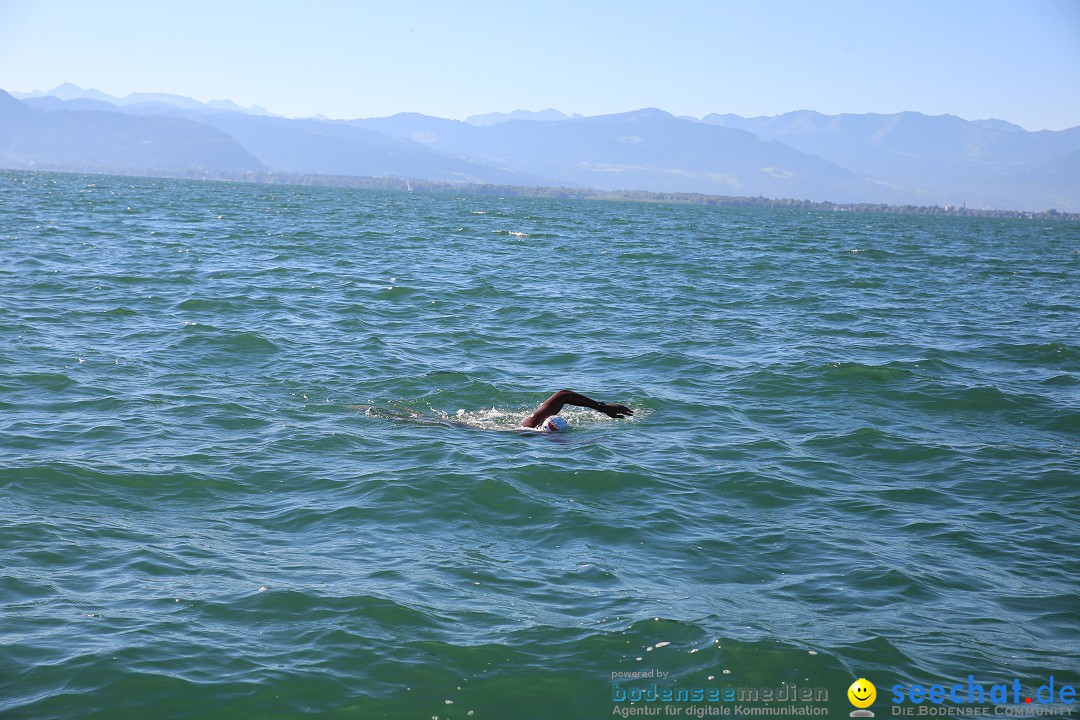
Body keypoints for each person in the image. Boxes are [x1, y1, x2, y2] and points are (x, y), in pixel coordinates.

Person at [520, 389, 633, 432]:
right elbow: (563, 394)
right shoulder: (530, 427)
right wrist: (603, 408)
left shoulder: (528, 426)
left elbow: (563, 395)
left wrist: (603, 408)